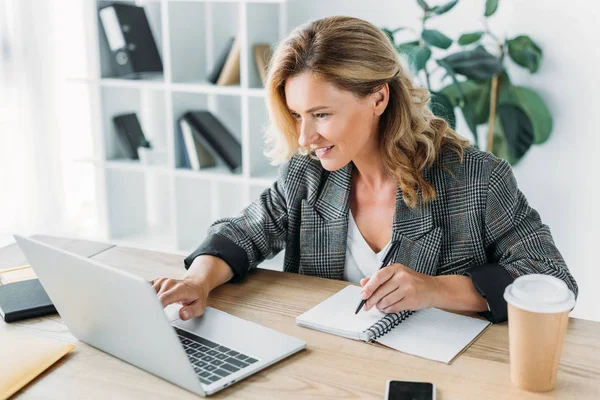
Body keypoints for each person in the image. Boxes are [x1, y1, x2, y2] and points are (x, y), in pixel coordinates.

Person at [152, 16, 578, 324]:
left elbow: (552, 278)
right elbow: (243, 231)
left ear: (378, 99)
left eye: (321, 114)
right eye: (298, 115)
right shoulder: (308, 175)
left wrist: (434, 289)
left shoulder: (476, 178)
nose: (304, 138)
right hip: (329, 370)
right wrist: (197, 281)